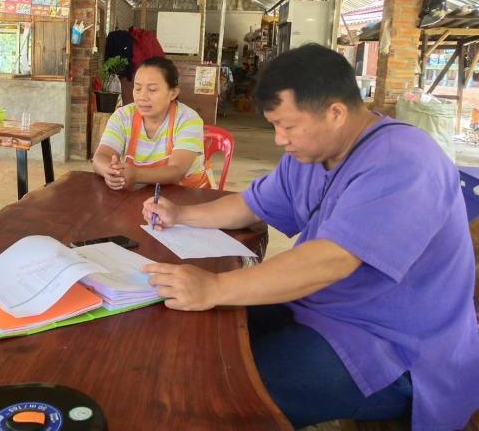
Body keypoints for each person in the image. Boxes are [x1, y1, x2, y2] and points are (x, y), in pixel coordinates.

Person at [142, 44, 479, 430]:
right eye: (274, 126)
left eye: (288, 126)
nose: (279, 139)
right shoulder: (313, 154)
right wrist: (181, 214)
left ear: (335, 112)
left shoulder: (404, 160)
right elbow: (252, 205)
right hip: (319, 307)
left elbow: (330, 260)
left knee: (224, 387)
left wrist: (213, 287)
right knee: (192, 339)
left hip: (391, 343)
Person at [93, 56, 210, 190]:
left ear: (173, 93)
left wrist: (136, 175)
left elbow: (176, 171)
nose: (142, 97)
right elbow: (101, 157)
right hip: (142, 194)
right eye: (137, 89)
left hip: (187, 195)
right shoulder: (122, 116)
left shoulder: (188, 119)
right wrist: (110, 171)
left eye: (152, 89)